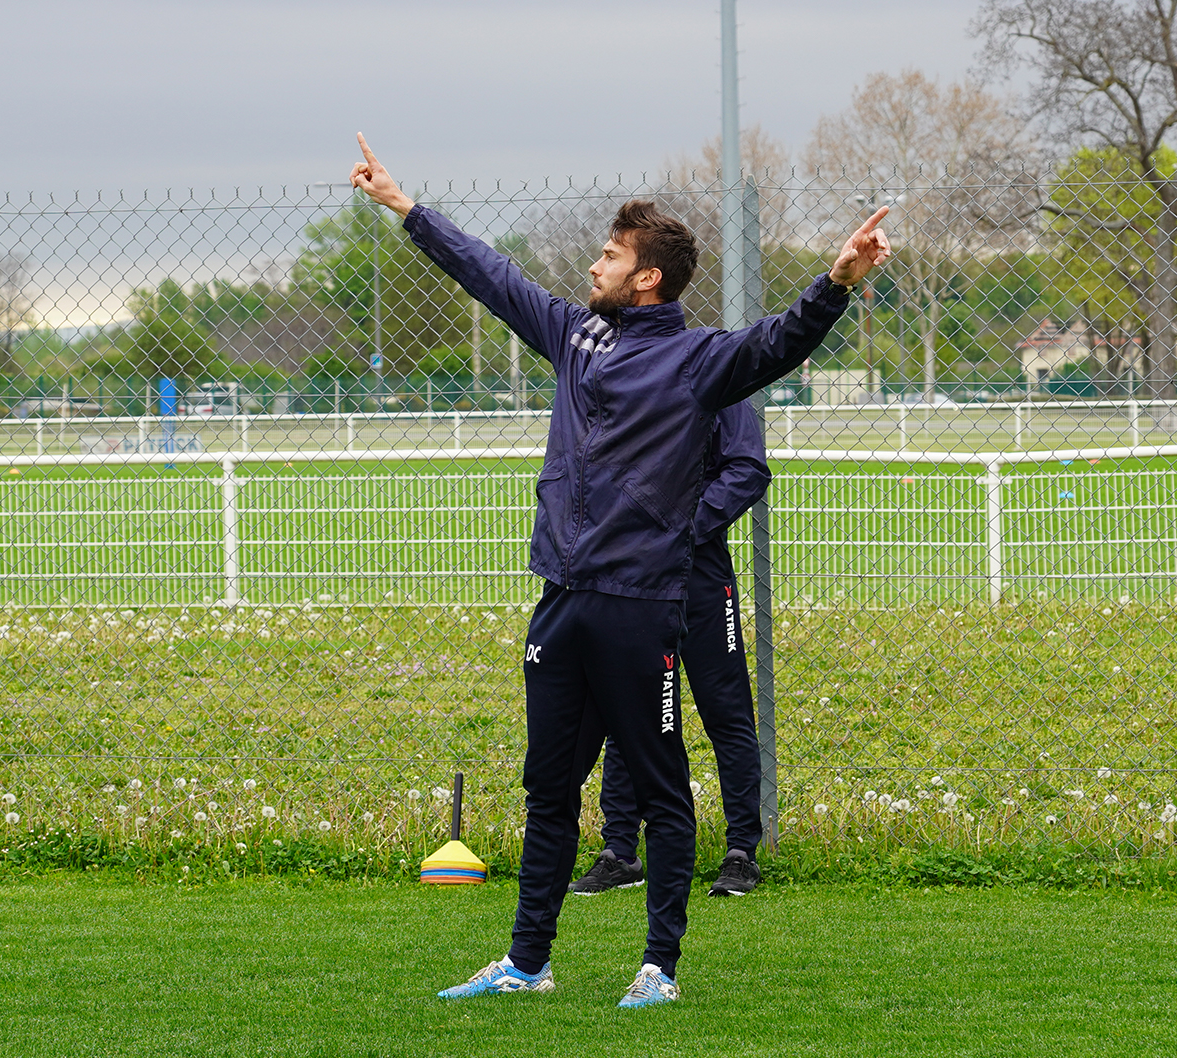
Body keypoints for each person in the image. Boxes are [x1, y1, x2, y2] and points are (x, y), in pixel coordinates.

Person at [350, 134, 889, 1008]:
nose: (593, 265)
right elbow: (491, 275)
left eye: (609, 255)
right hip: (561, 602)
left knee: (662, 785)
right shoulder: (575, 335)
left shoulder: (699, 359)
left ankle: (659, 969)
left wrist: (837, 281)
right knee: (548, 787)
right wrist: (406, 208)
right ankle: (527, 963)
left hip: (643, 609)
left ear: (648, 277)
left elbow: (782, 342)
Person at [570, 400, 771, 899]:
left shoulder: (713, 375)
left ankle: (741, 852)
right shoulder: (617, 379)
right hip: (634, 577)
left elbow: (747, 469)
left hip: (700, 573)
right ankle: (620, 852)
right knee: (629, 711)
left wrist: (683, 527)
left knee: (725, 712)